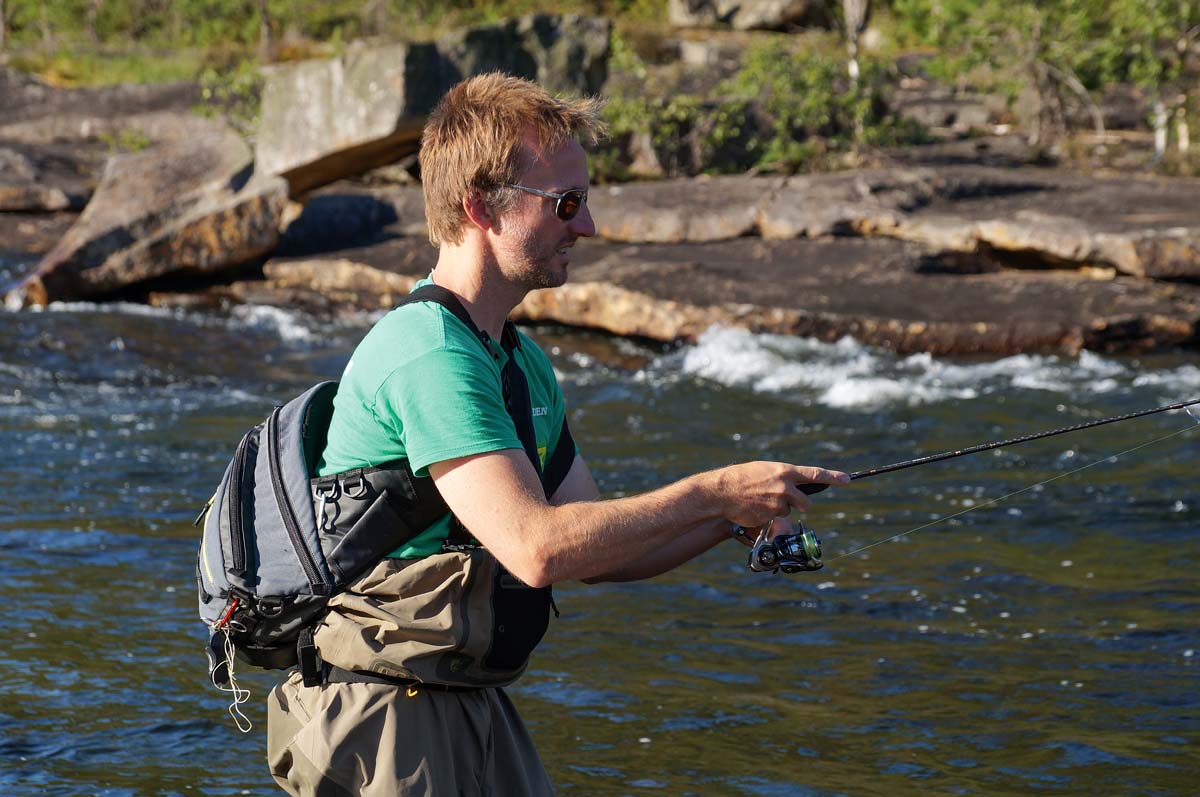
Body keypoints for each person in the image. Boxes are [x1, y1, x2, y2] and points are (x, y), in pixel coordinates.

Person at [265, 72, 849, 797]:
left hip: (469, 702)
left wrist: (729, 516)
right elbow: (537, 547)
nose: (588, 226)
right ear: (481, 206)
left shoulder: (519, 359)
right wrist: (715, 488)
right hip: (385, 717)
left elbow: (597, 550)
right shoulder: (429, 355)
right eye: (566, 203)